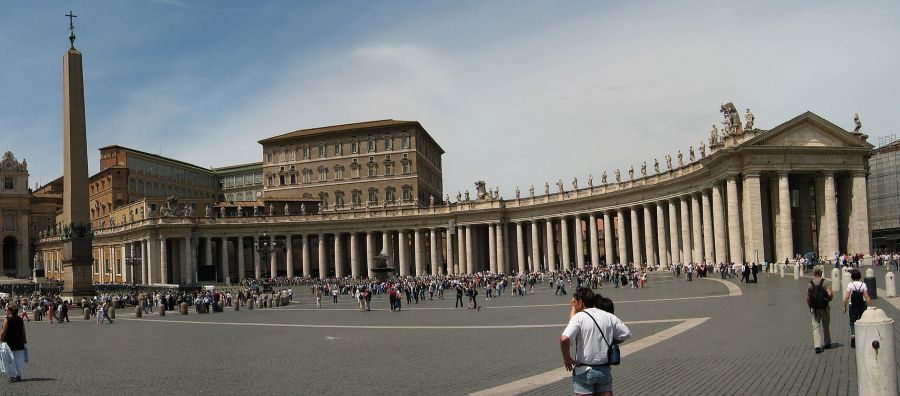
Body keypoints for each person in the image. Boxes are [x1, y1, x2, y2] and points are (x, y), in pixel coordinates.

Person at [561, 288, 631, 396]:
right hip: (603, 370)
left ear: (581, 302)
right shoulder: (608, 316)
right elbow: (625, 333)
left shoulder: (578, 318)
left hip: (583, 370)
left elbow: (564, 339)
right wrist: (610, 341)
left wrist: (567, 359)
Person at [842, 269, 872, 348]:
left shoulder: (850, 285)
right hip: (862, 305)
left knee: (852, 321)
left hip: (853, 305)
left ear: (852, 277)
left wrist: (844, 306)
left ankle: (853, 335)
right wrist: (872, 306)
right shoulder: (863, 284)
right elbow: (866, 296)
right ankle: (863, 337)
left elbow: (847, 296)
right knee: (862, 321)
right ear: (859, 276)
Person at [807, 267, 833, 353]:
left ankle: (817, 346)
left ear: (814, 273)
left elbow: (808, 298)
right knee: (826, 325)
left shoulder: (810, 284)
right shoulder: (825, 282)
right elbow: (830, 294)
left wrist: (810, 307)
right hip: (824, 307)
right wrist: (829, 299)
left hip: (815, 308)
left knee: (816, 327)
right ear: (821, 273)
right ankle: (827, 342)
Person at [0, 304, 27, 382]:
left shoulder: (7, 319)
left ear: (10, 311)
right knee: (19, 361)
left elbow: (3, 331)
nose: (6, 311)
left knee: (9, 360)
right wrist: (24, 339)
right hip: (19, 342)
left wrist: (0, 339)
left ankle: (12, 376)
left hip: (9, 343)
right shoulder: (20, 319)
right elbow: (23, 330)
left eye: (7, 310)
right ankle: (19, 375)